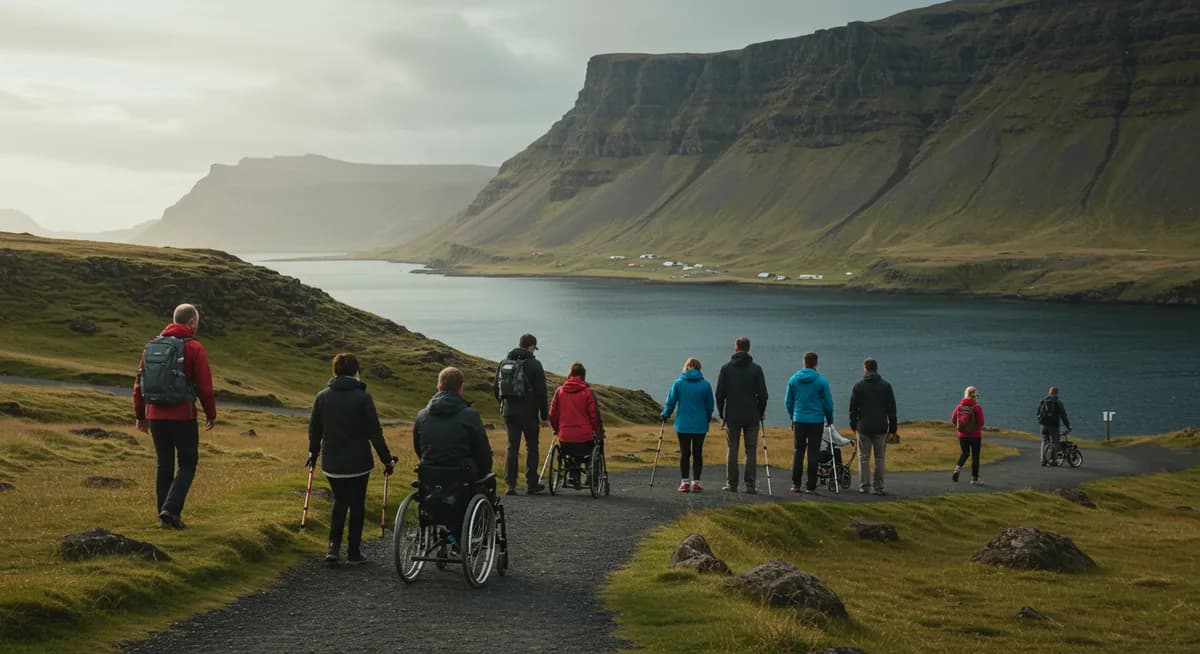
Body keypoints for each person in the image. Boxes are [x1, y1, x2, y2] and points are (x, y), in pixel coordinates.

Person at [134, 303, 217, 530]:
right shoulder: (194, 348)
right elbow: (205, 387)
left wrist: (141, 414)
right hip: (183, 416)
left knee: (164, 464)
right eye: (196, 323)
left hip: (156, 416)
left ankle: (164, 516)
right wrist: (211, 413)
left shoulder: (151, 346)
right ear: (191, 322)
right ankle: (170, 511)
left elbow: (139, 382)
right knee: (188, 463)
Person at [307, 353, 395, 565]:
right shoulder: (363, 398)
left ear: (335, 371)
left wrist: (313, 454)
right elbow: (375, 433)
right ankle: (354, 552)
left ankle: (333, 548)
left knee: (339, 501)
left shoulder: (322, 396)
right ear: (356, 372)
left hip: (332, 463)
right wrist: (387, 460)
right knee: (357, 504)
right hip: (358, 463)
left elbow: (315, 430)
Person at [413, 366, 494, 485]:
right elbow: (482, 450)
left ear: (438, 386)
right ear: (461, 388)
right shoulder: (470, 415)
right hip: (462, 474)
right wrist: (486, 469)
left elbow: (418, 447)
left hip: (429, 472)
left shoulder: (421, 415)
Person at [494, 334, 549, 496]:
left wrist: (504, 405)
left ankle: (510, 485)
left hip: (509, 413)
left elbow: (496, 388)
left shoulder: (504, 363)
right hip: (529, 413)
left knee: (512, 447)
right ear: (531, 346)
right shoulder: (534, 365)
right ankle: (532, 483)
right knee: (531, 447)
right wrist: (544, 416)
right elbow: (541, 393)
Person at [715, 336, 768, 494]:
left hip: (732, 416)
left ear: (736, 348)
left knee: (732, 448)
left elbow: (719, 394)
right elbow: (763, 395)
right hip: (752, 415)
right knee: (750, 450)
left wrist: (722, 414)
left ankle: (732, 484)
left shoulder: (726, 368)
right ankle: (750, 486)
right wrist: (760, 412)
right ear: (748, 349)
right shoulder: (756, 369)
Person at [661, 357, 715, 492]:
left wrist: (665, 414)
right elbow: (710, 405)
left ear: (685, 367)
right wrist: (707, 417)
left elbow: (671, 402)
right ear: (699, 368)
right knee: (698, 453)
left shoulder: (678, 383)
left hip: (683, 424)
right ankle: (696, 482)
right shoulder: (705, 385)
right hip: (700, 424)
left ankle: (684, 482)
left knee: (685, 453)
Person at [548, 362, 605, 487]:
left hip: (565, 437)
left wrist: (558, 430)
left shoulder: (559, 391)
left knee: (569, 451)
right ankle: (592, 477)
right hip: (584, 438)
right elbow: (594, 416)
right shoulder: (587, 392)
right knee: (594, 446)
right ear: (583, 376)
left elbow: (552, 414)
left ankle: (573, 476)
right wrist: (599, 432)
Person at [784, 352, 834, 495]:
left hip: (799, 419)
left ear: (804, 362)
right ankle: (811, 486)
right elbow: (828, 404)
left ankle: (796, 484)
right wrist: (829, 419)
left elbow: (788, 401)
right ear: (816, 363)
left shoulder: (793, 380)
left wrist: (792, 416)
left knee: (798, 451)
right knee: (813, 453)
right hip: (816, 421)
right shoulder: (821, 381)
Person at [848, 358, 897, 496]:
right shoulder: (886, 386)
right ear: (876, 368)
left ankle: (864, 486)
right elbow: (891, 410)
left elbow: (853, 409)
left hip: (863, 426)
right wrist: (893, 429)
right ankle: (879, 487)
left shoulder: (858, 386)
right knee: (880, 458)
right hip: (881, 427)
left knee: (863, 457)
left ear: (865, 368)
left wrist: (853, 425)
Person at [951, 386, 985, 485]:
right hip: (975, 435)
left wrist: (963, 429)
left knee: (965, 453)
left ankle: (957, 469)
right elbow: (982, 422)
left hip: (962, 435)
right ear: (975, 395)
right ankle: (974, 479)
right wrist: (975, 427)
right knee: (975, 456)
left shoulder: (959, 407)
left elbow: (953, 420)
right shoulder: (977, 408)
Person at [1036, 386, 1072, 466]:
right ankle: (1053, 460)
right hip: (1054, 426)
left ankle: (1043, 461)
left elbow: (1038, 414)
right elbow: (1063, 416)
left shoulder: (1042, 401)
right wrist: (1068, 426)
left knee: (1044, 442)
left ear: (1049, 392)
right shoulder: (1058, 402)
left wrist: (1040, 423)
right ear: (1057, 393)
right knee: (1055, 442)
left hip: (1043, 426)